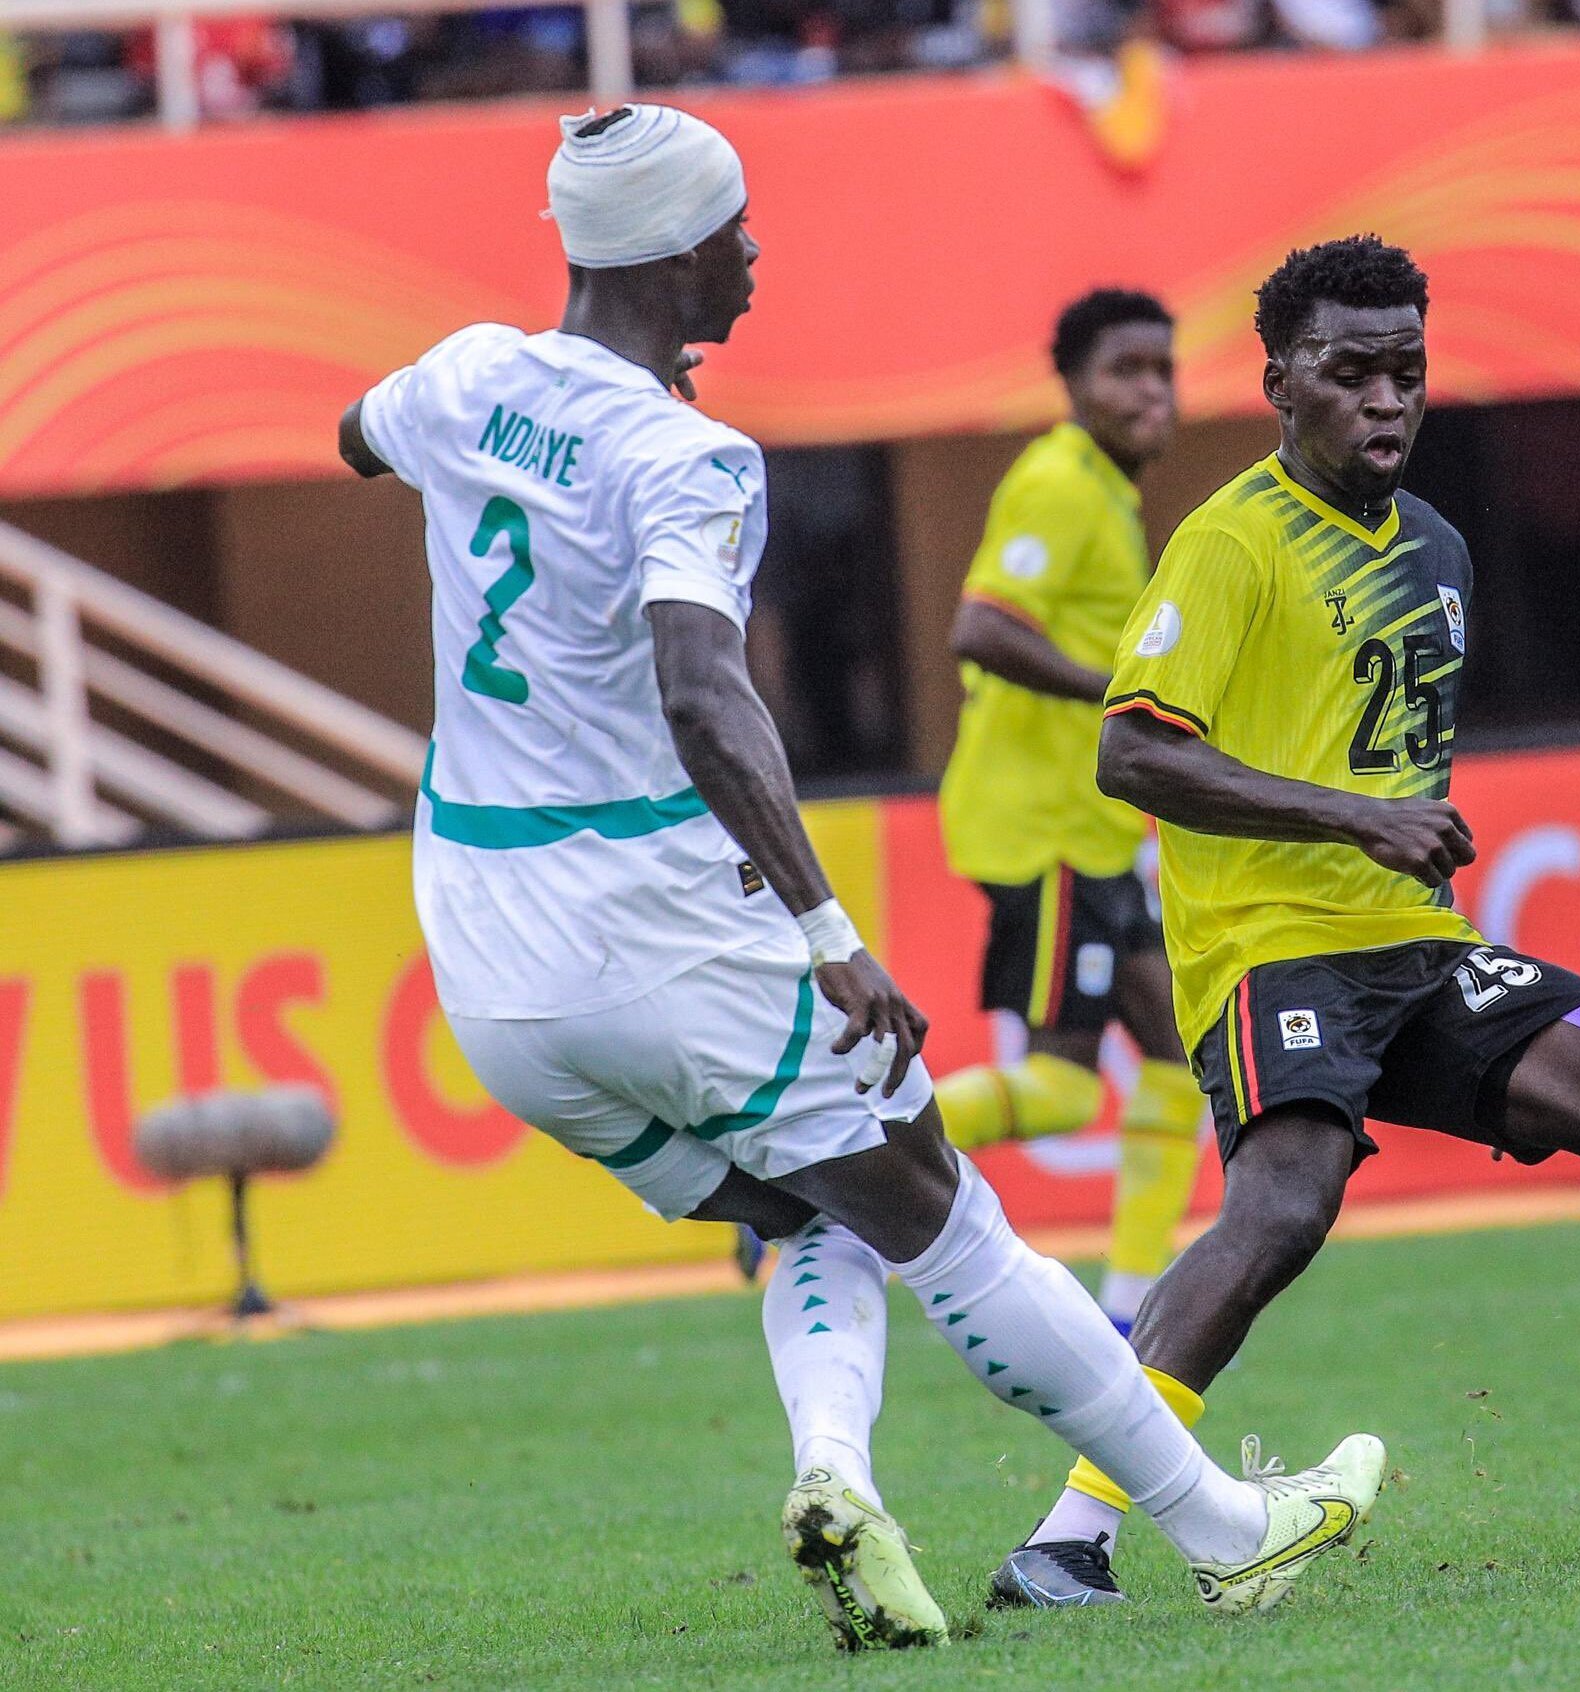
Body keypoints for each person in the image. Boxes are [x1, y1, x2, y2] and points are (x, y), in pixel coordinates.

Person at [335, 105, 1386, 1651]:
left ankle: (840, 1484)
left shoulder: (465, 373)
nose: (756, 252)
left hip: (491, 971)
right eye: (735, 229)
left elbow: (358, 438)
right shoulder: (689, 458)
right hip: (657, 931)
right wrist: (829, 933)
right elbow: (704, 694)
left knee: (816, 1210)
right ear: (673, 253)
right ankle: (1229, 1532)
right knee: (951, 1226)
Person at [989, 235, 1580, 1608]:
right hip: (1272, 949)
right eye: (1350, 372)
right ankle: (1069, 1539)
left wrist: (1388, 840)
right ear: (1280, 381)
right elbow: (1134, 756)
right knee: (1283, 1208)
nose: (1385, 400)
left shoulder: (1439, 551)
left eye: (1405, 372)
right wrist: (1353, 818)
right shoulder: (1228, 541)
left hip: (1421, 953)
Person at [933, 288, 1205, 1341]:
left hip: (1089, 833)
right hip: (1040, 828)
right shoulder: (1056, 483)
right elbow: (980, 628)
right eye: (1124, 370)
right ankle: (834, 1157)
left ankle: (1132, 1307)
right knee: (1057, 1088)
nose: (1150, 391)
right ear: (1074, 383)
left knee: (1182, 1058)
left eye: (1162, 370)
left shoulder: (1106, 492)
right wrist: (1119, 695)